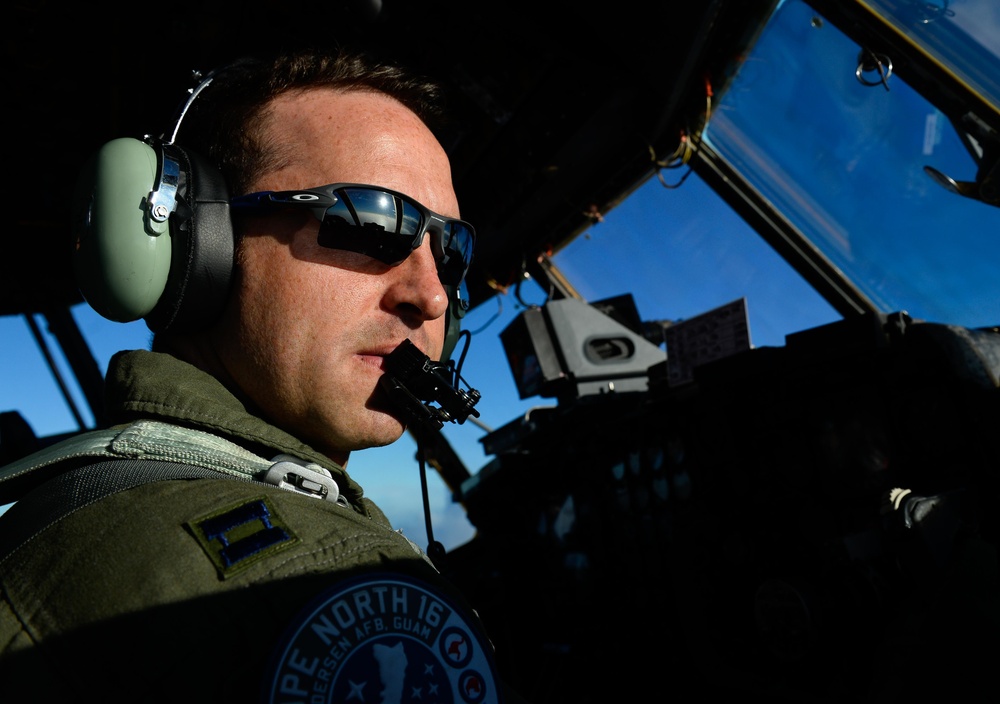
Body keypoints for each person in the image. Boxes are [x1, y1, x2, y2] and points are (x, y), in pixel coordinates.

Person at [0, 46, 521, 703]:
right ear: (199, 240)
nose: (434, 296)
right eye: (369, 220)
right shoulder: (327, 590)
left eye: (451, 249)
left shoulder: (76, 505)